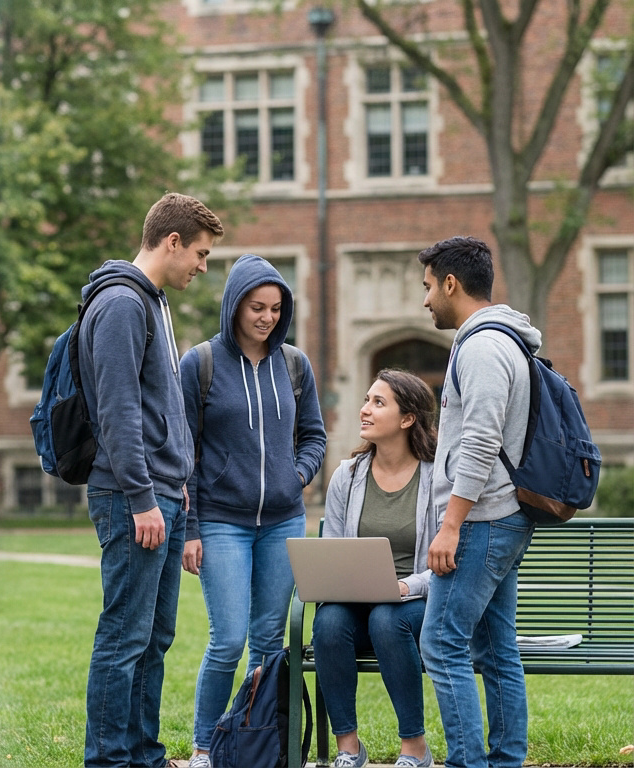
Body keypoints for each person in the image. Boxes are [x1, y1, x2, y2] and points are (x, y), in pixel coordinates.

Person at [78, 192, 223, 768]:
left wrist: (178, 479)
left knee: (155, 637)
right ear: (172, 241)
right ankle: (109, 760)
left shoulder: (153, 301)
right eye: (201, 254)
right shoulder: (121, 302)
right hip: (131, 497)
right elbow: (116, 411)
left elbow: (160, 405)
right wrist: (143, 498)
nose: (202, 267)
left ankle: (144, 754)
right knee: (124, 636)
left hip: (164, 492)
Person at [178, 253, 328, 768]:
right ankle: (204, 746)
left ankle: (258, 746)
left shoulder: (295, 364)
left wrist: (296, 476)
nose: (266, 317)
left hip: (284, 520)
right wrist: (190, 529)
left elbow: (313, 436)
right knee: (228, 640)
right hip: (221, 521)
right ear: (234, 306)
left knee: (269, 643)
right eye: (256, 307)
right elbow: (184, 453)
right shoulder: (200, 364)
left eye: (275, 308)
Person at [417, 236, 537, 768]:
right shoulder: (502, 339)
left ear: (451, 284)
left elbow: (481, 442)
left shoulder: (483, 347)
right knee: (495, 646)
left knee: (442, 642)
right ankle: (505, 760)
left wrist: (451, 525)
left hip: (484, 519)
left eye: (428, 287)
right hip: (501, 517)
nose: (425, 301)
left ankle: (468, 763)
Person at [312, 370, 440, 768]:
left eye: (378, 403)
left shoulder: (438, 477)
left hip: (417, 603)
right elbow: (333, 549)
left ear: (408, 419)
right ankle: (348, 748)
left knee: (388, 618)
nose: (364, 410)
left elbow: (449, 562)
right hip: (358, 600)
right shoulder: (347, 476)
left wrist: (405, 587)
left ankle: (414, 747)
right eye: (367, 399)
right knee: (328, 622)